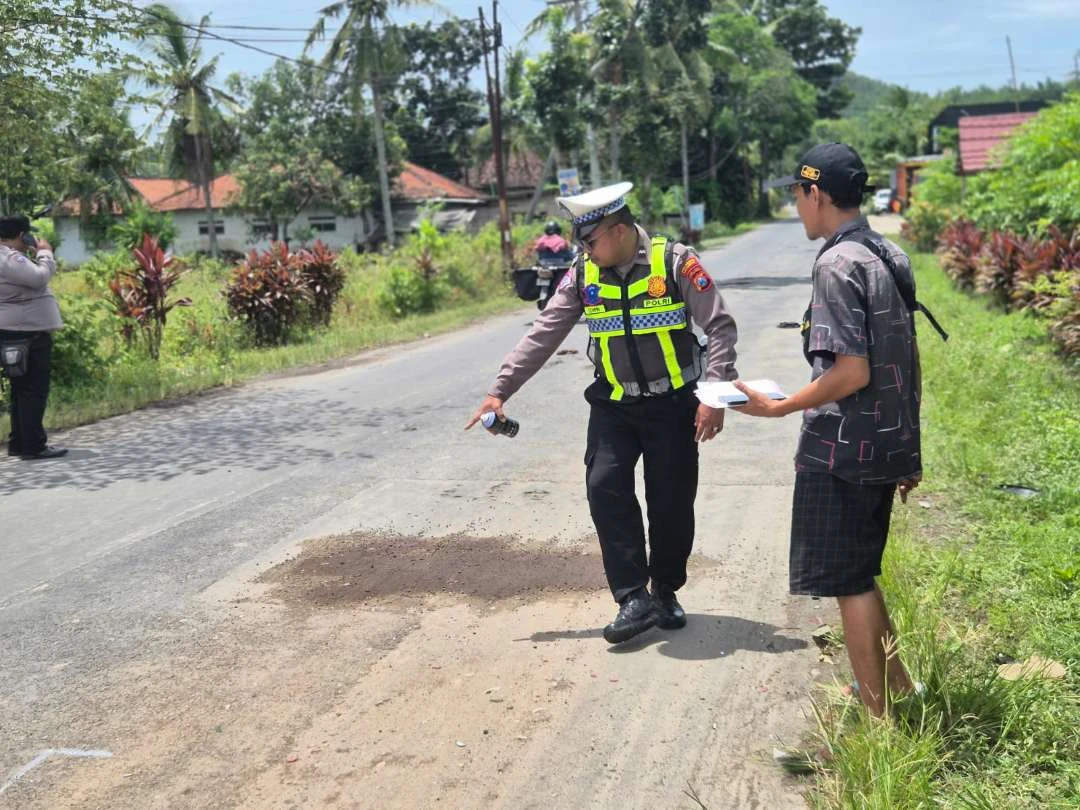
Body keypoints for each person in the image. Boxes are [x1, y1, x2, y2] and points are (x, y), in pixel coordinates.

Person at [466, 182, 738, 644]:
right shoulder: (582, 273)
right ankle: (632, 597)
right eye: (581, 242)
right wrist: (499, 391)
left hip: (673, 405)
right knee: (604, 486)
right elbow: (544, 332)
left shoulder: (674, 262)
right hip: (614, 404)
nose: (585, 250)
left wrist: (714, 397)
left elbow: (720, 328)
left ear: (619, 230)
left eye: (590, 241)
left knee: (671, 502)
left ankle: (665, 590)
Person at [734, 143, 921, 716]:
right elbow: (904, 360)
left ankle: (878, 723)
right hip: (885, 439)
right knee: (859, 571)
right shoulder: (886, 251)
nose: (797, 205)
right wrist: (909, 449)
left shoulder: (836, 265)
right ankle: (898, 690)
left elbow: (851, 371)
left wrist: (782, 406)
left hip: (844, 449)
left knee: (848, 583)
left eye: (798, 193)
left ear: (815, 193)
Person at [0, 214, 67, 460]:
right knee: (33, 390)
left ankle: (19, 442)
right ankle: (33, 445)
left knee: (21, 389)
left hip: (15, 331)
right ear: (22, 235)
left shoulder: (8, 258)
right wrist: (45, 253)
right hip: (27, 334)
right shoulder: (10, 258)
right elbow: (39, 277)